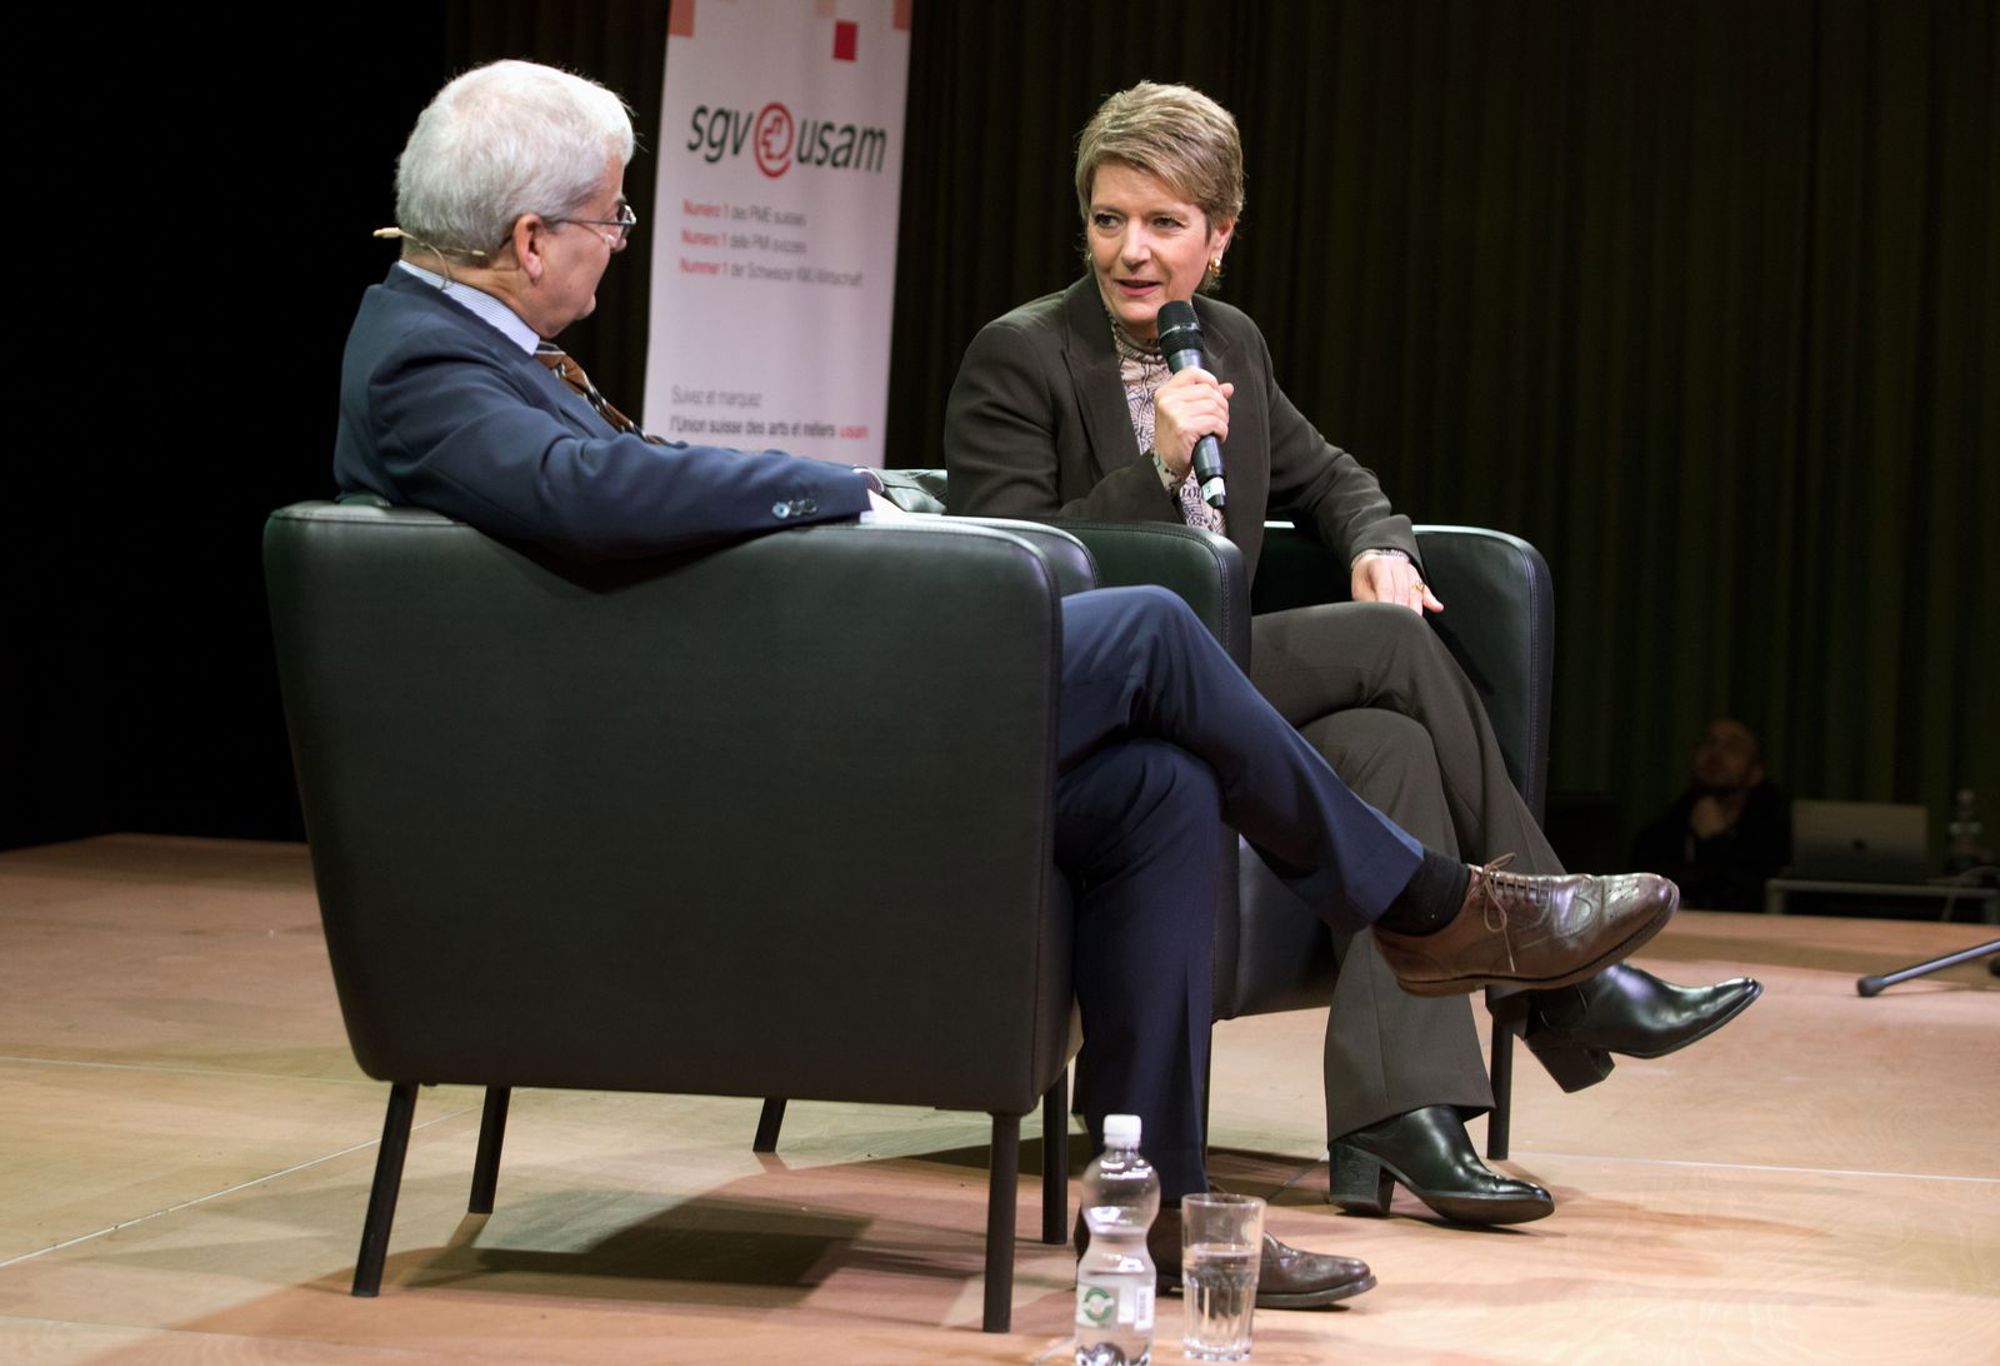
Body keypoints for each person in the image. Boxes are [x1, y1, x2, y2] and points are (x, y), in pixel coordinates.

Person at [338, 60, 1684, 1306]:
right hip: (690, 753)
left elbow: (601, 495)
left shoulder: (462, 351)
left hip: (739, 710)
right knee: (1152, 630)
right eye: (612, 220)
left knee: (1157, 784)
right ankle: (1435, 908)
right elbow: (586, 492)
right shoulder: (424, 361)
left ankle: (1158, 1203)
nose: (617, 243)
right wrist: (827, 491)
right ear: (531, 238)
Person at [945, 81, 1762, 1225]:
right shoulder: (1019, 356)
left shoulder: (1228, 342)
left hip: (1222, 685)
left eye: (1164, 223)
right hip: (1100, 693)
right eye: (1108, 219)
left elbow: (1332, 477)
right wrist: (1156, 469)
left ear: (1219, 236)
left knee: (1386, 744)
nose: (1131, 251)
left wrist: (1378, 543)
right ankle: (1565, 979)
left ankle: (1402, 1112)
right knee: (1385, 649)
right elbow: (1011, 577)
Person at [1632, 719, 1791, 912]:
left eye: (1732, 747)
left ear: (1755, 773)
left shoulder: (1774, 832)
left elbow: (1752, 898)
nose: (1716, 753)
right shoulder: (1660, 833)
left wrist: (1716, 842)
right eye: (1709, 743)